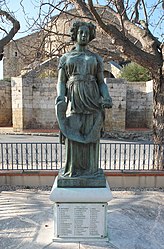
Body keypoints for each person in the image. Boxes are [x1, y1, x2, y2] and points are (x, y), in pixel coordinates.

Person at [56, 21, 112, 178]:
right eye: (81, 32)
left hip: (93, 99)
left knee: (91, 132)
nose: (84, 35)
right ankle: (73, 170)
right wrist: (61, 96)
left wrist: (106, 96)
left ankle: (90, 170)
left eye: (86, 33)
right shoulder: (65, 58)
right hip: (73, 99)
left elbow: (101, 82)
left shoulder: (95, 58)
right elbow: (61, 81)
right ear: (75, 34)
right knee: (73, 131)